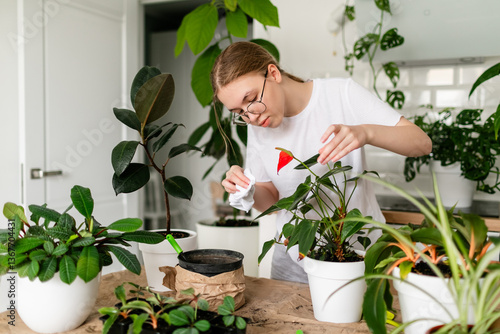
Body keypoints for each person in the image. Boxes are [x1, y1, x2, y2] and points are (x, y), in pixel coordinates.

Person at [211, 41, 432, 283]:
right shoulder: (259, 124)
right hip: (293, 256)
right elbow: (274, 199)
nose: (251, 115)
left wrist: (366, 133)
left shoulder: (340, 94)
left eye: (251, 99)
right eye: (240, 112)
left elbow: (421, 143)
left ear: (273, 73)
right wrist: (248, 190)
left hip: (356, 254)